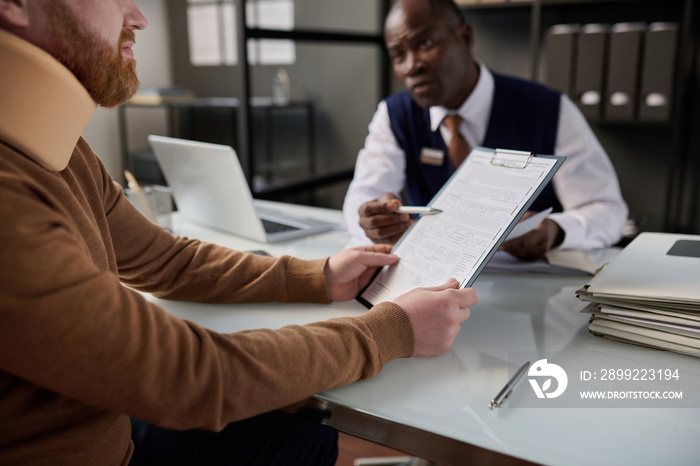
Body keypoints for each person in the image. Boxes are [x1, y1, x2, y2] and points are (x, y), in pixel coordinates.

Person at [0, 1, 478, 464]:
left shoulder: (63, 152)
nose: (139, 17)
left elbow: (168, 261)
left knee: (304, 437)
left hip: (110, 436)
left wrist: (320, 275)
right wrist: (392, 330)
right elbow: (188, 376)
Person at [343, 0, 629, 261]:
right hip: (434, 282)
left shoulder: (548, 109)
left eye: (425, 43)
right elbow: (365, 194)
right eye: (397, 55)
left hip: (530, 289)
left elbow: (609, 212)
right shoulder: (395, 115)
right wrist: (371, 218)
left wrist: (555, 230)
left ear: (465, 38)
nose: (411, 66)